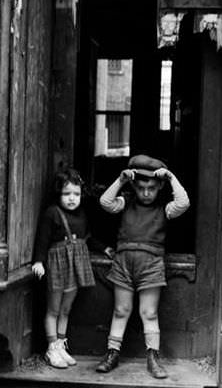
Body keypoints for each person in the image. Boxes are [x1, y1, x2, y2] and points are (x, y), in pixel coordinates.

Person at [95, 154, 190, 379]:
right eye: (140, 187)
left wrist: (170, 177)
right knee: (121, 310)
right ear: (134, 186)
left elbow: (183, 203)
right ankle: (112, 354)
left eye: (151, 188)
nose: (146, 193)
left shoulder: (164, 208)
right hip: (124, 262)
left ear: (159, 187)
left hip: (151, 264)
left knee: (148, 312)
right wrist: (121, 181)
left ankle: (153, 357)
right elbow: (105, 202)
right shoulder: (126, 201)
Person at [32, 168, 113, 369]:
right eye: (67, 194)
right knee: (54, 309)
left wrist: (105, 248)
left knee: (66, 309)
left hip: (76, 265)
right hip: (58, 264)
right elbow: (42, 239)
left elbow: (88, 238)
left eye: (76, 194)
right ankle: (51, 348)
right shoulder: (52, 213)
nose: (72, 198)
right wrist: (39, 261)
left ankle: (61, 345)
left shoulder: (82, 214)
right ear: (58, 194)